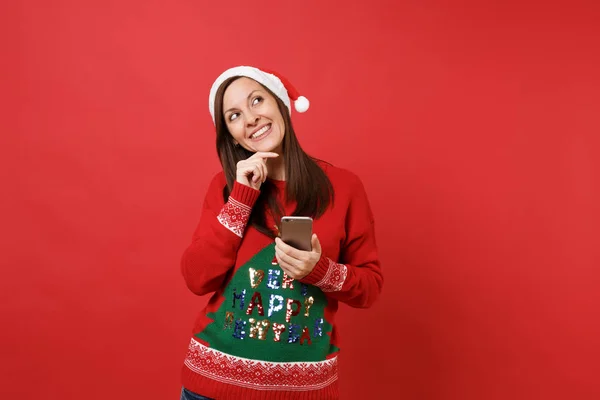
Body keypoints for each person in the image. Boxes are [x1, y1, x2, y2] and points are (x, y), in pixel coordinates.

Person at [180, 66, 383, 400]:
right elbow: (196, 278)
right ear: (231, 134)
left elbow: (370, 288)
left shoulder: (344, 187)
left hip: (303, 390)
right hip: (213, 387)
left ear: (279, 104)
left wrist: (320, 272)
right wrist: (241, 198)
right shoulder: (224, 187)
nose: (251, 118)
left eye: (257, 100)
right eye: (234, 115)